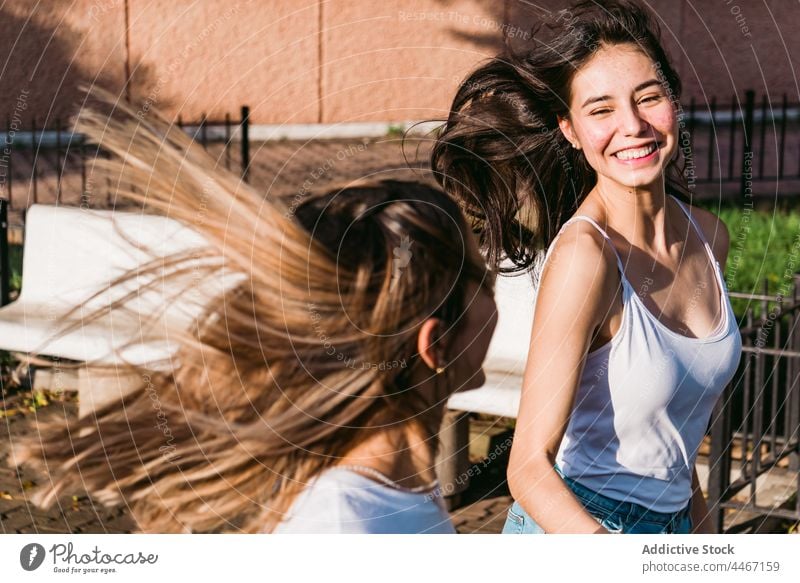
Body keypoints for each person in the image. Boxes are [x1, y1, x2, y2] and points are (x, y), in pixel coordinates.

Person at [13, 95, 498, 533]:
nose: (495, 301)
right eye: (484, 281)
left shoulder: (389, 492)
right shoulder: (343, 530)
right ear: (434, 344)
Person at [431, 0, 742, 534]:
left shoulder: (710, 237)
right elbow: (527, 465)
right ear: (571, 130)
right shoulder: (586, 259)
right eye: (600, 110)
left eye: (648, 97)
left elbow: (674, 436)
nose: (633, 126)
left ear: (673, 101)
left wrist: (702, 542)